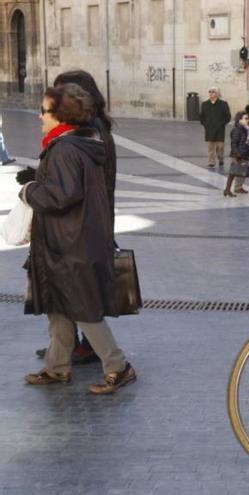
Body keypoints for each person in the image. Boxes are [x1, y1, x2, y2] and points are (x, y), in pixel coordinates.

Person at [17, 83, 136, 394]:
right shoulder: (79, 143)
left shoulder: (66, 149)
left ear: (61, 115)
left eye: (43, 111)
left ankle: (118, 366)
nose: (39, 116)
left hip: (72, 242)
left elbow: (62, 195)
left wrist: (29, 191)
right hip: (71, 239)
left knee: (83, 308)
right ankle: (57, 368)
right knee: (59, 306)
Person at [32, 70, 117, 365]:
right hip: (78, 228)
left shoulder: (76, 140)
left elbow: (70, 191)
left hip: (76, 230)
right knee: (62, 299)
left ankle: (112, 362)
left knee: (79, 300)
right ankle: (59, 361)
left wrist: (32, 190)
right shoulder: (85, 135)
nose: (42, 115)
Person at [224, 111, 249, 197]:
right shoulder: (237, 130)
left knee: (248, 172)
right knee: (233, 173)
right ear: (239, 120)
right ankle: (227, 190)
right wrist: (238, 155)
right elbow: (233, 144)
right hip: (238, 156)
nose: (248, 120)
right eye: (245, 118)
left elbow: (246, 143)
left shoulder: (246, 129)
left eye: (248, 118)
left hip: (245, 154)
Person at [199, 86, 231, 168]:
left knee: (220, 147)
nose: (211, 93)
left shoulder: (223, 104)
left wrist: (222, 123)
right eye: (210, 91)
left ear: (217, 94)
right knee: (210, 147)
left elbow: (228, 116)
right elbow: (201, 116)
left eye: (213, 91)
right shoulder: (205, 104)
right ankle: (211, 162)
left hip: (220, 129)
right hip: (209, 128)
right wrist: (205, 124)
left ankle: (220, 158)